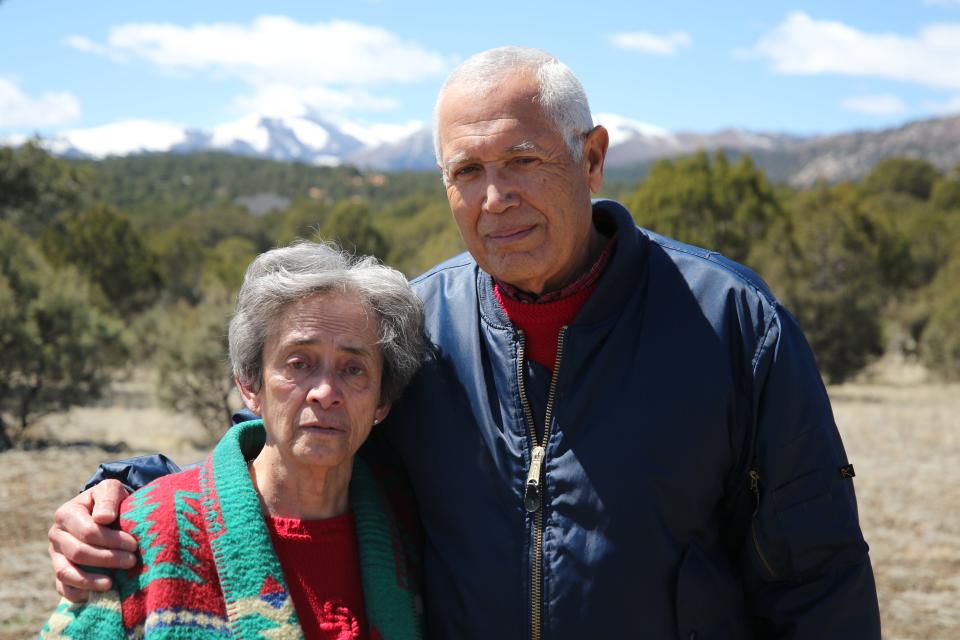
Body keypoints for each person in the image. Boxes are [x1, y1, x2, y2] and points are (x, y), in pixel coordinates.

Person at [48, 46, 881, 638]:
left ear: (591, 159)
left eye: (523, 159)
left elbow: (816, 576)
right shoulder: (415, 325)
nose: (495, 198)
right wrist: (130, 483)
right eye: (466, 171)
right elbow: (305, 446)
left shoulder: (731, 322)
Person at [41, 242, 426, 639]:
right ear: (249, 384)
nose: (325, 391)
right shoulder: (149, 531)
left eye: (354, 369)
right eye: (299, 363)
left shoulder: (410, 531)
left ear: (382, 400)